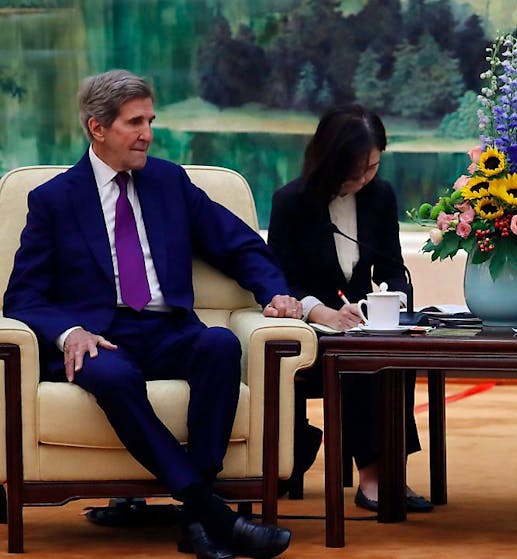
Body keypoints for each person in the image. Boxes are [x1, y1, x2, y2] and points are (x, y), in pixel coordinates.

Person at [3, 69, 300, 559]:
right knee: (114, 377)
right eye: (134, 122)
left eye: (150, 120)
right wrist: (69, 331)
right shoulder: (54, 199)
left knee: (221, 345)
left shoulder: (169, 182)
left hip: (169, 328)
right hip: (101, 336)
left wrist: (274, 292)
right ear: (97, 128)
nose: (148, 134)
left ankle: (196, 517)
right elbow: (22, 297)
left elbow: (240, 245)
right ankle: (211, 515)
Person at [267, 103, 432, 513]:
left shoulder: (380, 195)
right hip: (312, 333)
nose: (363, 179)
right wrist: (319, 311)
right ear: (329, 160)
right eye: (355, 170)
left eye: (372, 167)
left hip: (361, 324)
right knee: (359, 358)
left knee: (391, 352)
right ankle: (373, 479)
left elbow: (394, 269)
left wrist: (390, 303)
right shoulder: (291, 202)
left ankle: (392, 468)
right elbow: (279, 281)